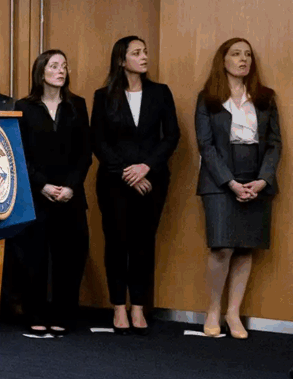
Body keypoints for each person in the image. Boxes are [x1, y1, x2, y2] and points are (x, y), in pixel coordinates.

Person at [91, 37, 180, 335]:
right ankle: (118, 306)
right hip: (114, 182)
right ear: (121, 60)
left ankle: (138, 306)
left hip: (152, 181)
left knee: (143, 243)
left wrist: (145, 168)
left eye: (145, 52)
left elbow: (171, 136)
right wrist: (128, 173)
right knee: (116, 242)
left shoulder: (160, 93)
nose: (144, 57)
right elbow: (98, 141)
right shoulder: (103, 96)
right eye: (137, 53)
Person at [195, 37, 280, 339]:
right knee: (222, 247)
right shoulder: (208, 98)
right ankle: (213, 310)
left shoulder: (266, 97)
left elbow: (274, 143)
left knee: (245, 248)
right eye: (236, 54)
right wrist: (230, 182)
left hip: (256, 176)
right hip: (220, 180)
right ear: (224, 60)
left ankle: (234, 313)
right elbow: (206, 146)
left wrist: (263, 179)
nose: (243, 59)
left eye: (248, 55)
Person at [13, 50, 91, 337]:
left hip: (71, 194)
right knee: (33, 258)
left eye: (64, 66)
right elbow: (18, 154)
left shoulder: (77, 105)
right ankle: (34, 313)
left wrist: (70, 186)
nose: (61, 70)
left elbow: (85, 153)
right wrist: (42, 185)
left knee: (69, 258)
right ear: (41, 72)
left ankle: (62, 314)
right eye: (54, 66)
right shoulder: (23, 106)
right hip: (36, 194)